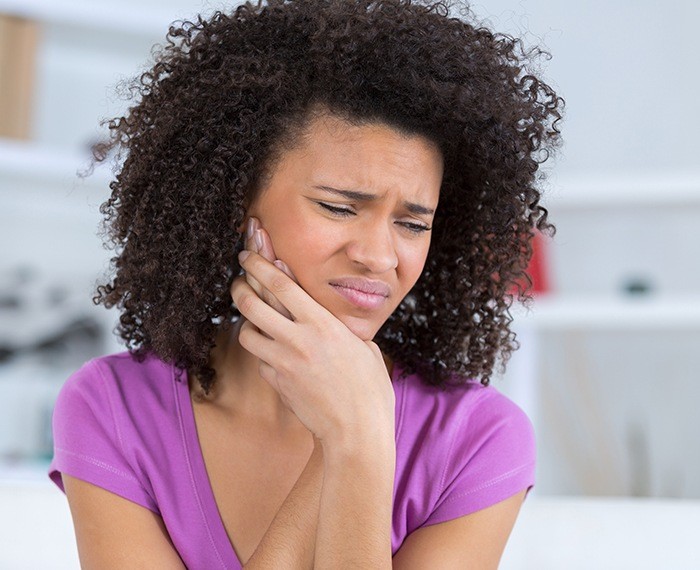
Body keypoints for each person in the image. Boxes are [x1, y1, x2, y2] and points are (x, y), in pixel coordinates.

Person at [47, 0, 562, 567]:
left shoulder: (477, 439)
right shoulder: (114, 409)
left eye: (413, 224)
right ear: (236, 202)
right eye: (338, 208)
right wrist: (347, 436)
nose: (378, 256)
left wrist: (357, 443)